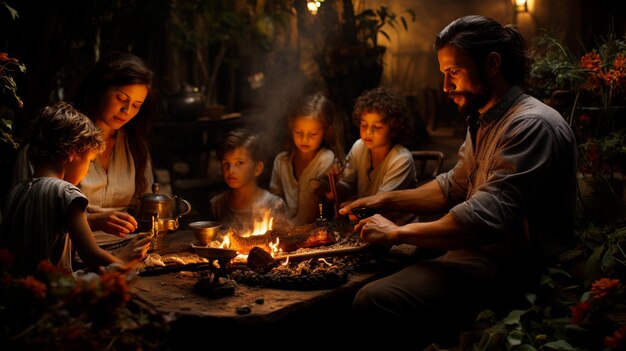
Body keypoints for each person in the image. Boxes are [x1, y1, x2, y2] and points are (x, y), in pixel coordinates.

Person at [339, 15, 578, 346]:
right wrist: (384, 200)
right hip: (474, 256)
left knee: (373, 298)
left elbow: (483, 218)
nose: (445, 86)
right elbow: (453, 186)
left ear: (492, 64)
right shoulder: (483, 119)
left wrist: (395, 232)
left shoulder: (530, 125)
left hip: (510, 271)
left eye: (454, 73)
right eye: (443, 75)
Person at [12, 52, 156, 244]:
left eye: (137, 105)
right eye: (121, 98)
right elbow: (29, 217)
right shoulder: (53, 144)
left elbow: (146, 204)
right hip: (69, 252)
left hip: (127, 244)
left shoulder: (135, 147)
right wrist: (93, 221)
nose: (127, 111)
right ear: (100, 89)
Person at [0, 102, 151, 277]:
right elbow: (91, 256)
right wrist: (124, 261)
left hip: (19, 292)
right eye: (89, 161)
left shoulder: (15, 192)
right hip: (56, 293)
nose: (86, 171)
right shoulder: (66, 193)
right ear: (71, 153)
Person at [330, 86, 417, 223]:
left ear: (394, 128)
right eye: (364, 125)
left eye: (377, 127)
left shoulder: (400, 159)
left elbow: (381, 203)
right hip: (366, 223)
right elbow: (346, 186)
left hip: (398, 228)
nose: (368, 132)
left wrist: (354, 205)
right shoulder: (359, 146)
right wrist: (335, 182)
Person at [269, 92, 345, 225]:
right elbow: (275, 199)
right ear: (291, 128)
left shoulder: (325, 159)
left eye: (313, 134)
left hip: (317, 229)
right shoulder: (281, 161)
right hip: (285, 230)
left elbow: (321, 205)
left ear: (326, 132)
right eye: (299, 132)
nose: (304, 139)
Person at [210, 129, 286, 232]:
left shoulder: (274, 205)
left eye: (239, 163)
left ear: (257, 168)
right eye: (226, 163)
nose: (230, 170)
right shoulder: (217, 205)